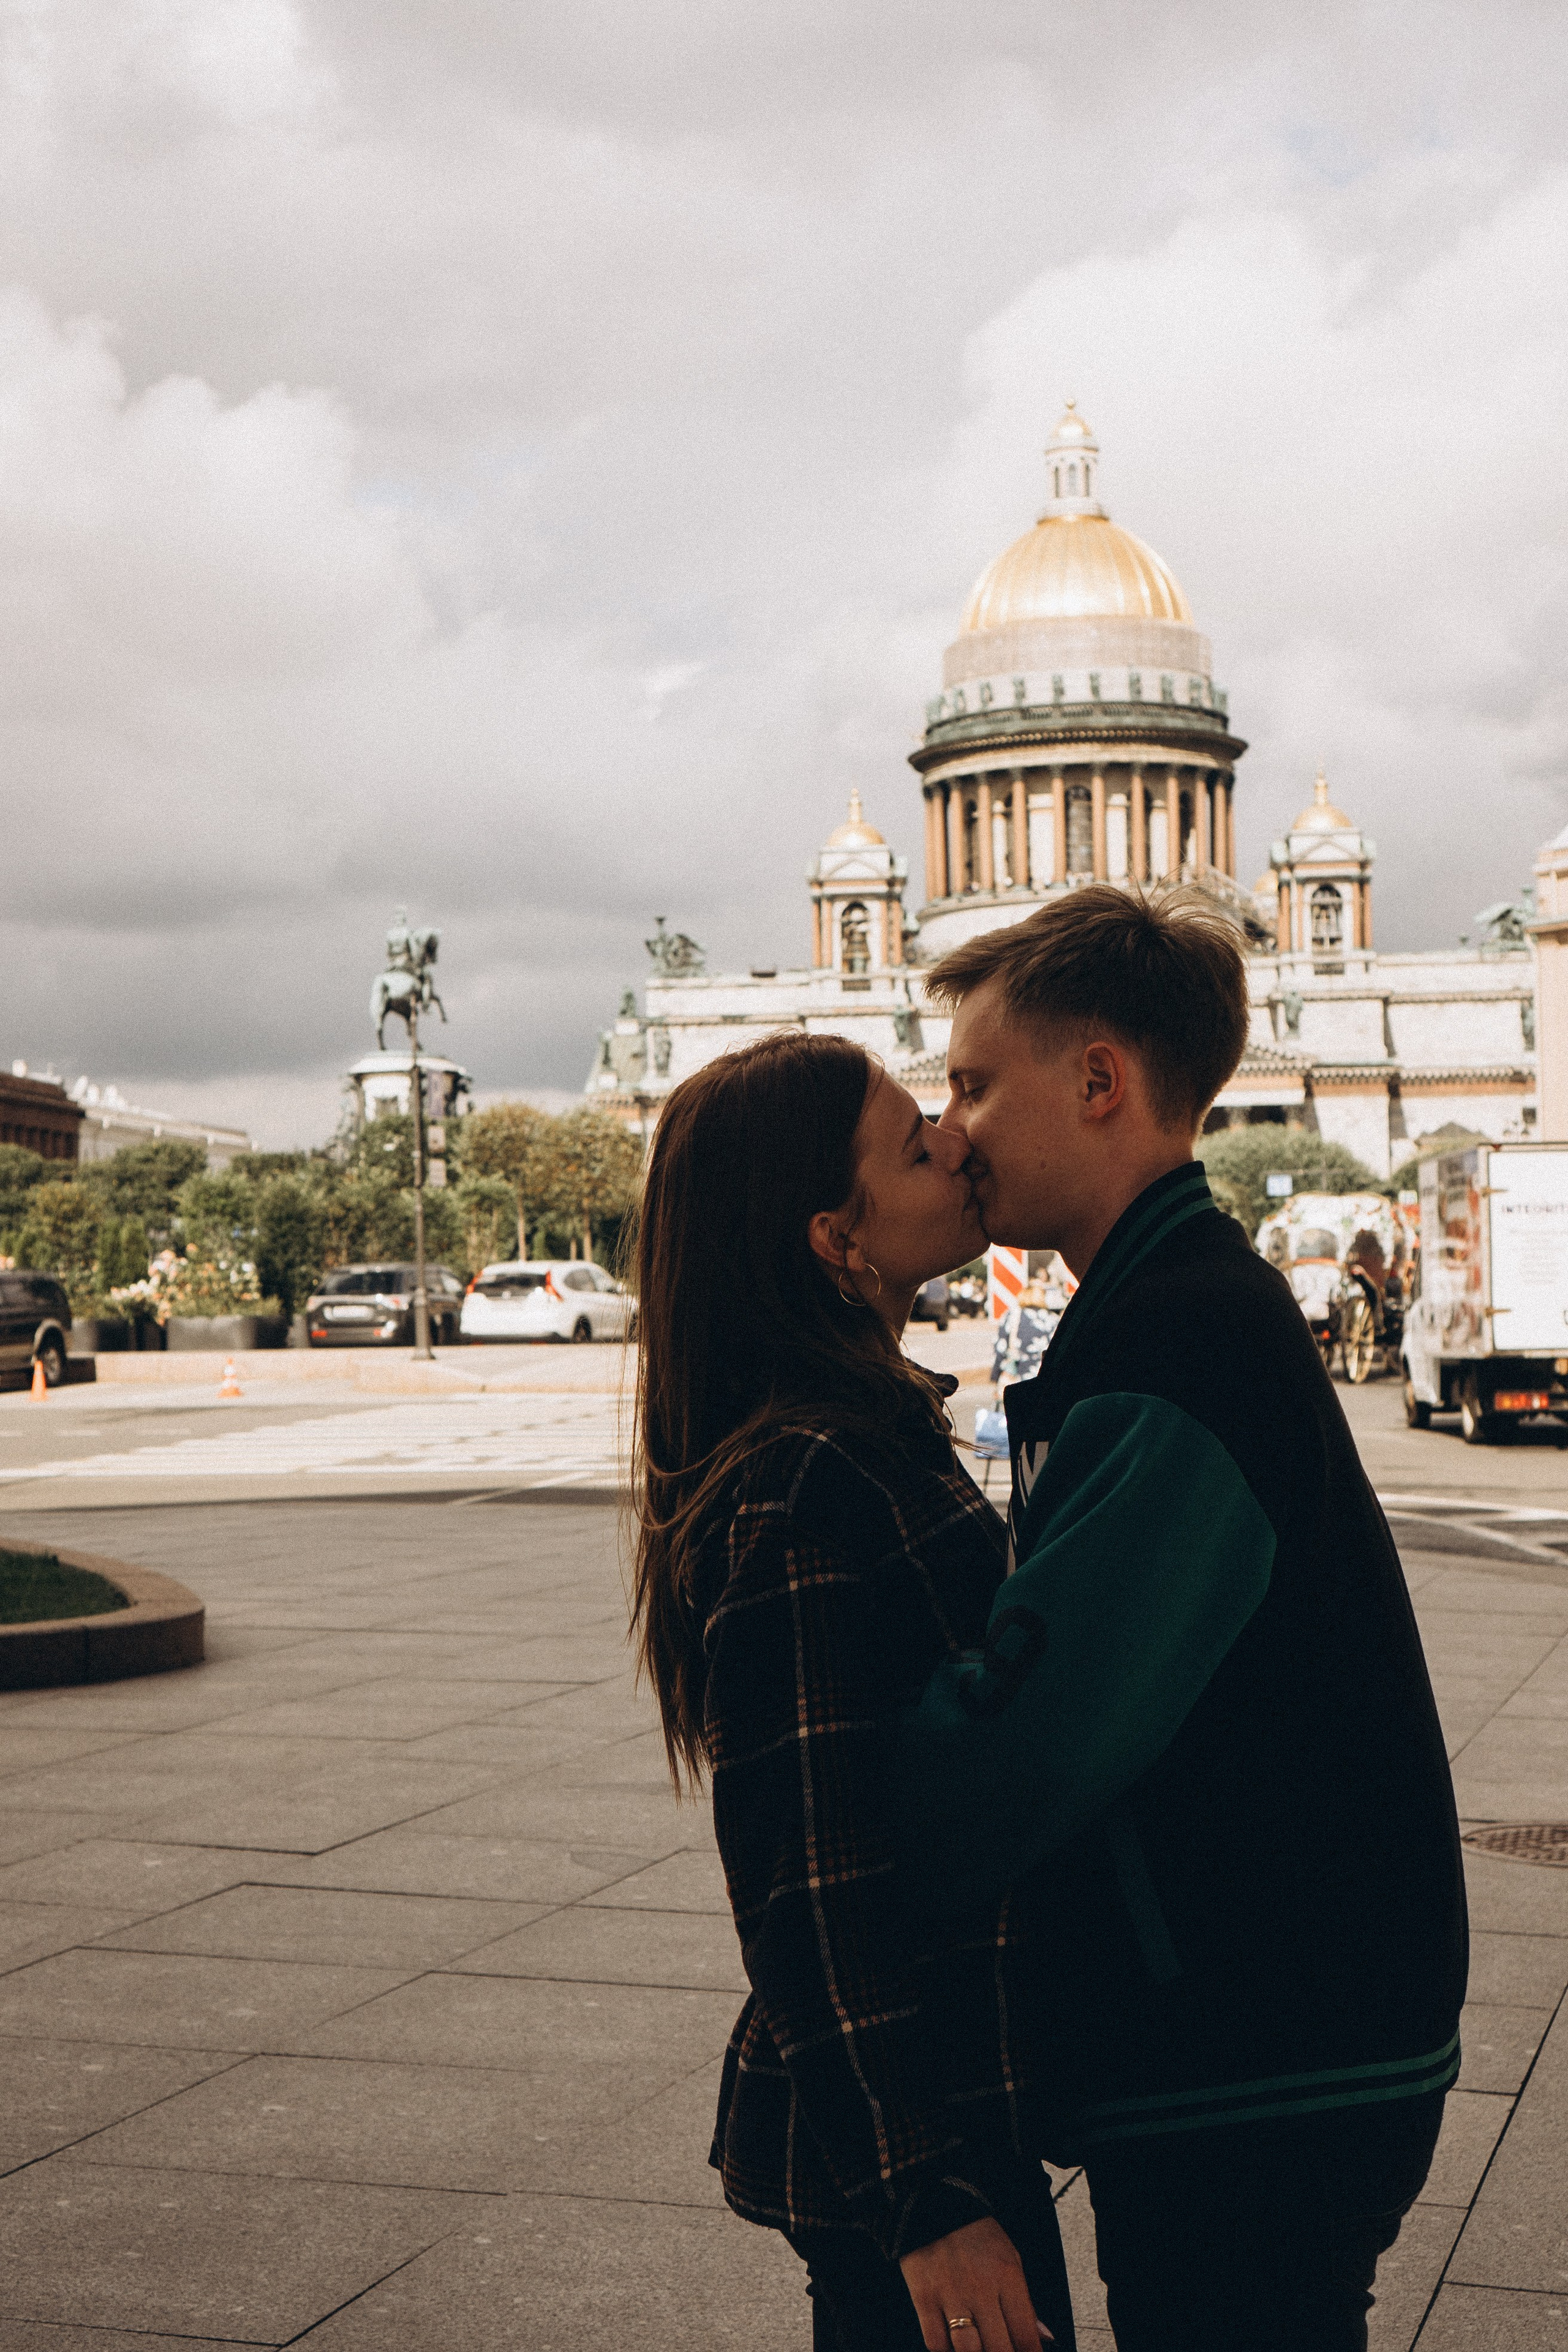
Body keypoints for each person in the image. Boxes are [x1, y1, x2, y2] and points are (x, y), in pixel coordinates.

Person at [895, 885, 1467, 2352]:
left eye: (969, 1083)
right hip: (1291, 2022)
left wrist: (842, 1767)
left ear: (1097, 1082)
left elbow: (1020, 1753)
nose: (946, 1129)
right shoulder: (1183, 1304)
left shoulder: (1169, 1344)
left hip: (1253, 2051)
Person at [629, 1031, 1077, 2352]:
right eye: (911, 1141)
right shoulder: (808, 1476)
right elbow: (802, 1871)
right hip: (912, 2136)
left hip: (938, 2108)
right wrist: (921, 2198)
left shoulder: (851, 1432)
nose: (955, 1138)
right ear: (836, 1240)